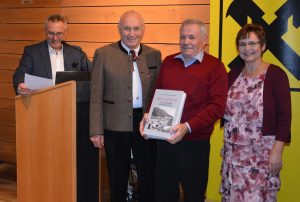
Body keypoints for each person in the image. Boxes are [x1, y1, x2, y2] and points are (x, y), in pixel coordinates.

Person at [140, 19, 228, 202]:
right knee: (163, 194)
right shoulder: (169, 62)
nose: (186, 41)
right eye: (182, 37)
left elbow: (217, 107)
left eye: (192, 37)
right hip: (164, 142)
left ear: (204, 40)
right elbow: (157, 94)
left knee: (193, 195)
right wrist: (148, 119)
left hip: (195, 143)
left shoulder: (215, 66)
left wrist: (187, 127)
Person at [89, 10, 162, 202]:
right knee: (117, 175)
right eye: (127, 28)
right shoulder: (103, 54)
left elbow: (158, 91)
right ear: (119, 29)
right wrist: (96, 130)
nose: (132, 33)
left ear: (143, 30)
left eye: (136, 28)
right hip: (115, 124)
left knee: (148, 174)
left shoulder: (154, 55)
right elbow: (95, 95)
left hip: (145, 123)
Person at [220, 24, 291, 201]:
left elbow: (284, 116)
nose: (247, 48)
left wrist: (277, 151)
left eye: (252, 43)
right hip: (233, 154)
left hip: (262, 155)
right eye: (242, 44)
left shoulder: (276, 74)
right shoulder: (234, 74)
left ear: (263, 46)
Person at [13, 14, 91, 95]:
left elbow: (93, 73)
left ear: (65, 34)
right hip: (41, 101)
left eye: (59, 33)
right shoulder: (32, 52)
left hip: (69, 101)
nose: (55, 38)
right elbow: (20, 74)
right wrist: (21, 84)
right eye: (51, 33)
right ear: (45, 32)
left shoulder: (77, 53)